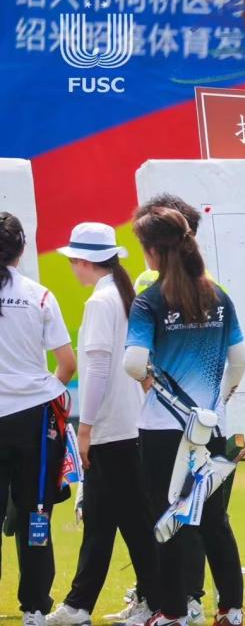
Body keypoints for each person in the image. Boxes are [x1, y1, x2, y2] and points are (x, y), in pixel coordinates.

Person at [123, 207, 245, 626]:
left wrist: (150, 380)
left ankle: (174, 612)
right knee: (213, 519)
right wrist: (218, 399)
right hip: (208, 427)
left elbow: (133, 362)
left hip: (163, 428)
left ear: (154, 251)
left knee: (168, 517)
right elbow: (240, 360)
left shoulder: (150, 301)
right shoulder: (218, 297)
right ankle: (231, 609)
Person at [46, 224, 160, 626]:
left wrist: (86, 428)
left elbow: (95, 369)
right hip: (129, 426)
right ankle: (83, 603)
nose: (72, 267)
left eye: (73, 261)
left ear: (83, 261)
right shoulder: (123, 298)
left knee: (125, 521)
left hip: (111, 429)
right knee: (109, 519)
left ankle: (150, 602)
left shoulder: (101, 302)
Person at [0, 212, 77, 626]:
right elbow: (67, 363)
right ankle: (34, 609)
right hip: (35, 419)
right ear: (22, 249)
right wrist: (41, 391)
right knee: (36, 512)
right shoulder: (40, 295)